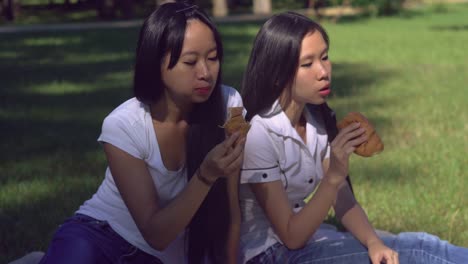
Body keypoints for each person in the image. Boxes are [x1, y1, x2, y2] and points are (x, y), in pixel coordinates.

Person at [238, 11, 468, 264]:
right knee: (417, 254)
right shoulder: (259, 134)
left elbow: (343, 197)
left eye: (325, 57)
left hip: (308, 241)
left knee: (420, 244)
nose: (323, 71)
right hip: (272, 254)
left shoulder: (315, 120)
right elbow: (292, 236)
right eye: (307, 64)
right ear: (278, 74)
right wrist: (334, 175)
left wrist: (374, 242)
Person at [39, 2, 245, 264]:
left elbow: (230, 207)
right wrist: (206, 175)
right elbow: (154, 232)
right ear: (155, 63)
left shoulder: (230, 106)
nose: (205, 73)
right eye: (190, 61)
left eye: (213, 58)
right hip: (101, 236)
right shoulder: (122, 125)